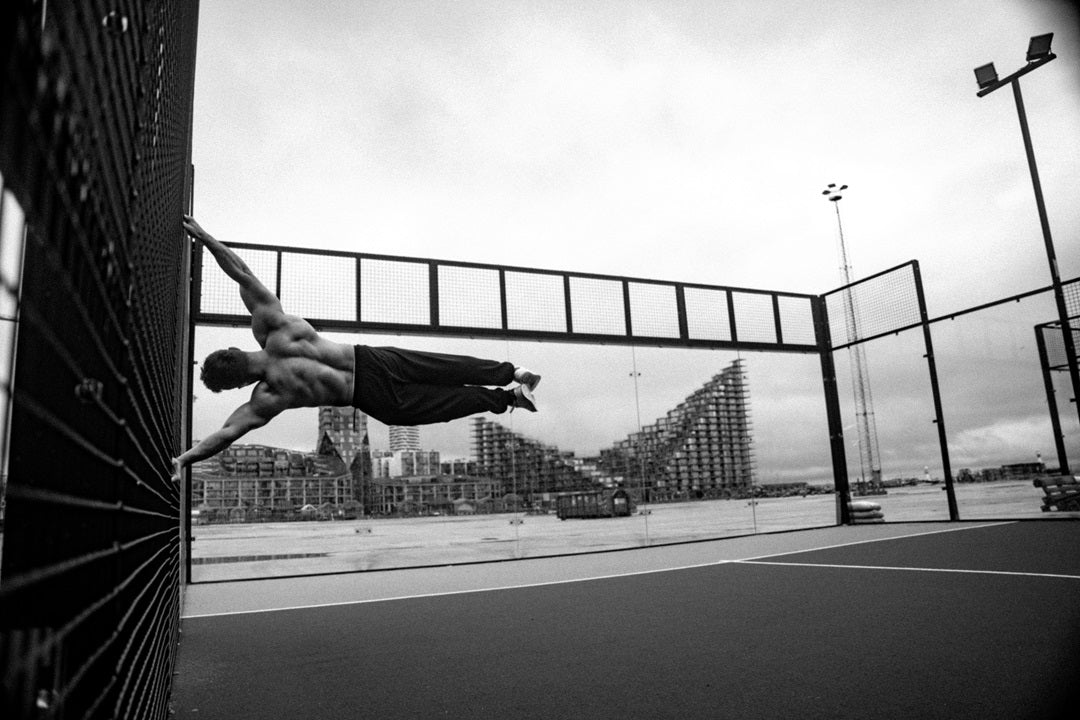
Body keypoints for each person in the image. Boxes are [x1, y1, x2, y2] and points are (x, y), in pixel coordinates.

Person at [171, 215, 540, 482]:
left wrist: (184, 460)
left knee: (439, 404)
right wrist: (206, 238)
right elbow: (242, 273)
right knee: (443, 366)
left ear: (236, 384)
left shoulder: (268, 396)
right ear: (236, 348)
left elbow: (226, 434)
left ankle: (508, 399)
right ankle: (513, 373)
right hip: (369, 357)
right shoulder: (275, 327)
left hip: (367, 394)